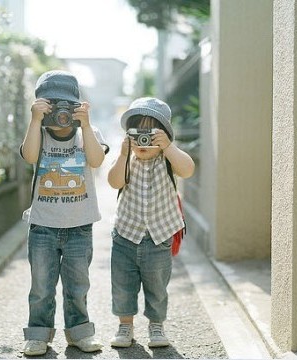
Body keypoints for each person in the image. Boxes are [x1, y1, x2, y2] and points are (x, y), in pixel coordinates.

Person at [20, 70, 108, 356]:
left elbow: (96, 160)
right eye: (53, 105)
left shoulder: (89, 134)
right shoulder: (39, 133)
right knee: (41, 288)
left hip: (79, 227)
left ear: (76, 106)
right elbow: (30, 156)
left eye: (66, 106)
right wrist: (35, 120)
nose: (60, 113)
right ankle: (37, 335)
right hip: (43, 226)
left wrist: (86, 125)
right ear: (43, 106)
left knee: (77, 286)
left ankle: (79, 333)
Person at [107, 97, 195, 348]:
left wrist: (168, 147)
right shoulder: (128, 159)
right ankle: (125, 326)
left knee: (157, 287)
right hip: (125, 235)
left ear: (164, 135)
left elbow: (188, 169)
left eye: (151, 134)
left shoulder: (168, 159)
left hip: (159, 237)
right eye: (138, 133)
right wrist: (124, 154)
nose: (144, 141)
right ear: (128, 136)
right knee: (123, 285)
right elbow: (114, 182)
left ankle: (156, 327)